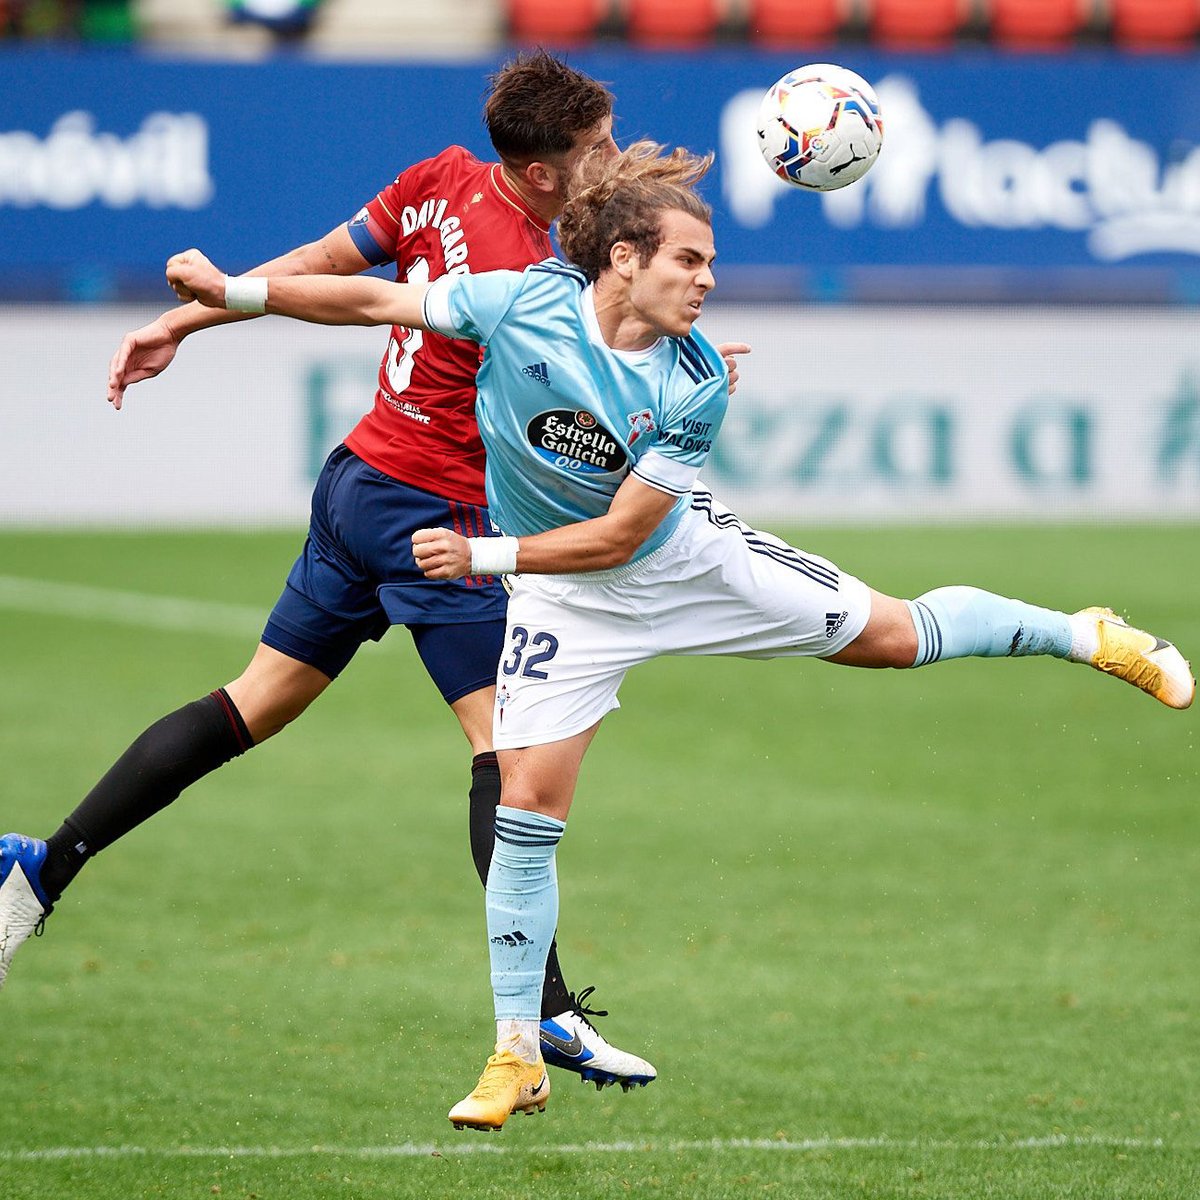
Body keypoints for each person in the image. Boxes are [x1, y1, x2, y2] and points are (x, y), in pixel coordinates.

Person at [156, 139, 1195, 1132]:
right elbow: (373, 299)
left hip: (680, 568)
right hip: (569, 604)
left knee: (897, 635)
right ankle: (516, 1052)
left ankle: (1082, 633)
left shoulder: (692, 382)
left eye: (710, 264)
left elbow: (619, 537)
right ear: (624, 258)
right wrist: (235, 295)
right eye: (689, 260)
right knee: (523, 803)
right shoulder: (520, 303)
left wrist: (485, 556)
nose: (707, 281)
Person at [0, 52, 734, 1092]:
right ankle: (546, 1017)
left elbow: (324, 264)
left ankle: (42, 864)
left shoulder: (443, 176)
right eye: (597, 148)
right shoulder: (539, 272)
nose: (614, 160)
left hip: (358, 482)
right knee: (509, 754)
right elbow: (551, 379)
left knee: (252, 702)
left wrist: (191, 316)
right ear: (539, 173)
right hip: (435, 510)